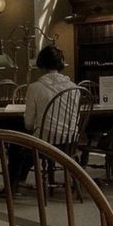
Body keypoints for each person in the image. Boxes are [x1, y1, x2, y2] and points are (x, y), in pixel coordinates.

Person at [8, 45, 79, 188]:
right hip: (69, 141)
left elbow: (28, 124)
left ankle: (13, 185)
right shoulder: (74, 88)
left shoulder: (35, 88)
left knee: (17, 143)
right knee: (29, 141)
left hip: (44, 143)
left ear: (41, 64)